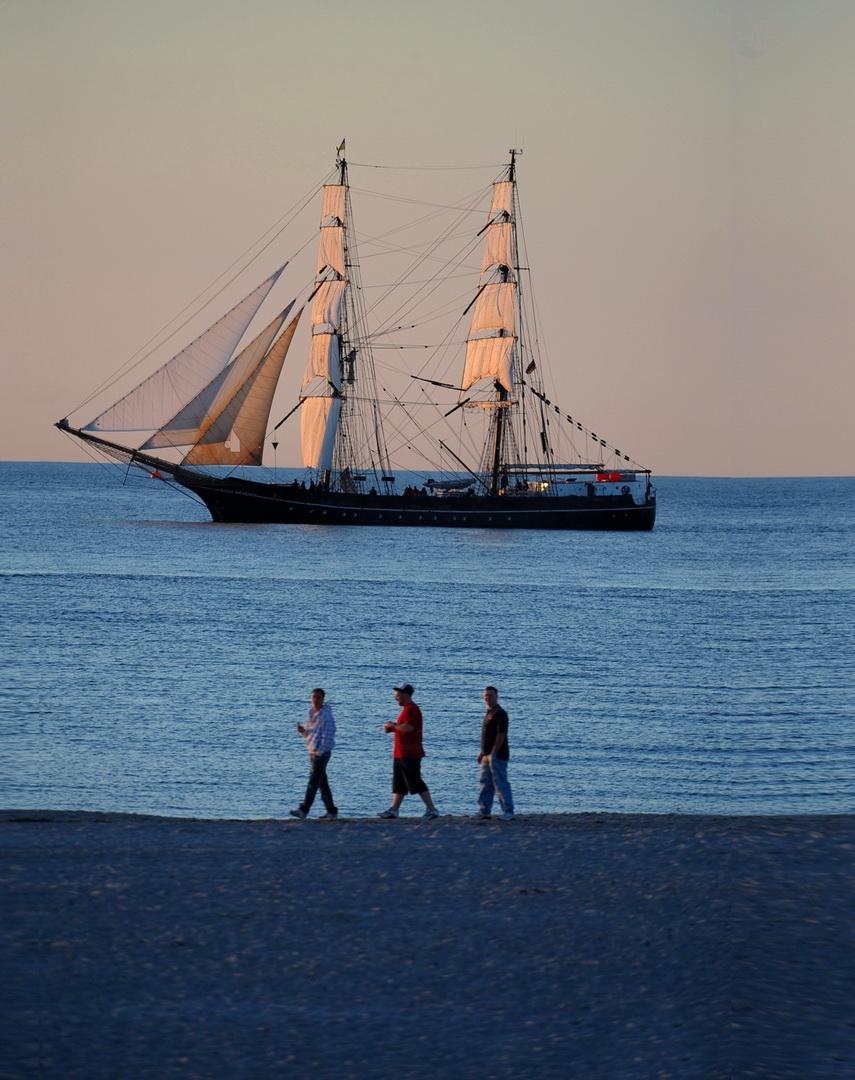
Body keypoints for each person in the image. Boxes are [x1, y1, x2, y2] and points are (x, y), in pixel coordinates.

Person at [378, 682, 440, 819]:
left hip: (410, 753)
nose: (396, 698)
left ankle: (432, 809)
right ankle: (394, 809)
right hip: (401, 752)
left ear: (406, 694)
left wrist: (393, 726)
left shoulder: (412, 709)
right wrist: (393, 728)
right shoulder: (407, 709)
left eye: (398, 695)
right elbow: (403, 727)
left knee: (415, 780)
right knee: (399, 782)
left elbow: (409, 728)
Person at [290, 688, 338, 820]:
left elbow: (328, 737)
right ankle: (331, 811)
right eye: (314, 697)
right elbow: (311, 735)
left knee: (313, 782)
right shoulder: (311, 713)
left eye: (318, 697)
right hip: (313, 752)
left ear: (323, 699)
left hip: (321, 754)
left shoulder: (326, 716)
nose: (315, 700)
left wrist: (320, 752)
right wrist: (303, 731)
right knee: (322, 783)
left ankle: (304, 810)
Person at [477, 686, 514, 821]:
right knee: (485, 783)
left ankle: (508, 811)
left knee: (500, 783)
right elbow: (487, 735)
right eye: (486, 695)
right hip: (486, 754)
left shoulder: (500, 713)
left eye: (490, 695)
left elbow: (501, 734)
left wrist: (493, 752)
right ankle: (484, 811)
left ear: (496, 696)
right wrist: (482, 752)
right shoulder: (489, 712)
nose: (487, 698)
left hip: (497, 755)